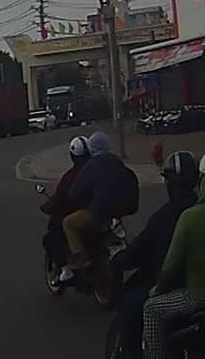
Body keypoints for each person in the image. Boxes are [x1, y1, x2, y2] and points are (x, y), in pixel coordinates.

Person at [112, 151, 198, 359]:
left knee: (131, 305)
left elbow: (144, 254)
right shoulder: (196, 209)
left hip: (182, 290)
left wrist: (118, 260)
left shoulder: (169, 217)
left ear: (169, 183)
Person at [143, 155, 205, 359]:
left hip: (197, 296)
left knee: (151, 309)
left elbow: (171, 267)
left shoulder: (191, 217)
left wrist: (156, 291)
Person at [64, 131, 130, 280]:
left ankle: (82, 260)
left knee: (68, 223)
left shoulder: (91, 166)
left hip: (99, 211)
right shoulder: (117, 162)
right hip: (117, 211)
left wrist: (78, 198)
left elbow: (77, 191)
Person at [41, 136, 92, 276]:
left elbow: (60, 198)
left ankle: (67, 269)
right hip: (99, 210)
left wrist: (47, 207)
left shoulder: (70, 177)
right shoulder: (96, 169)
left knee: (52, 238)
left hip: (85, 214)